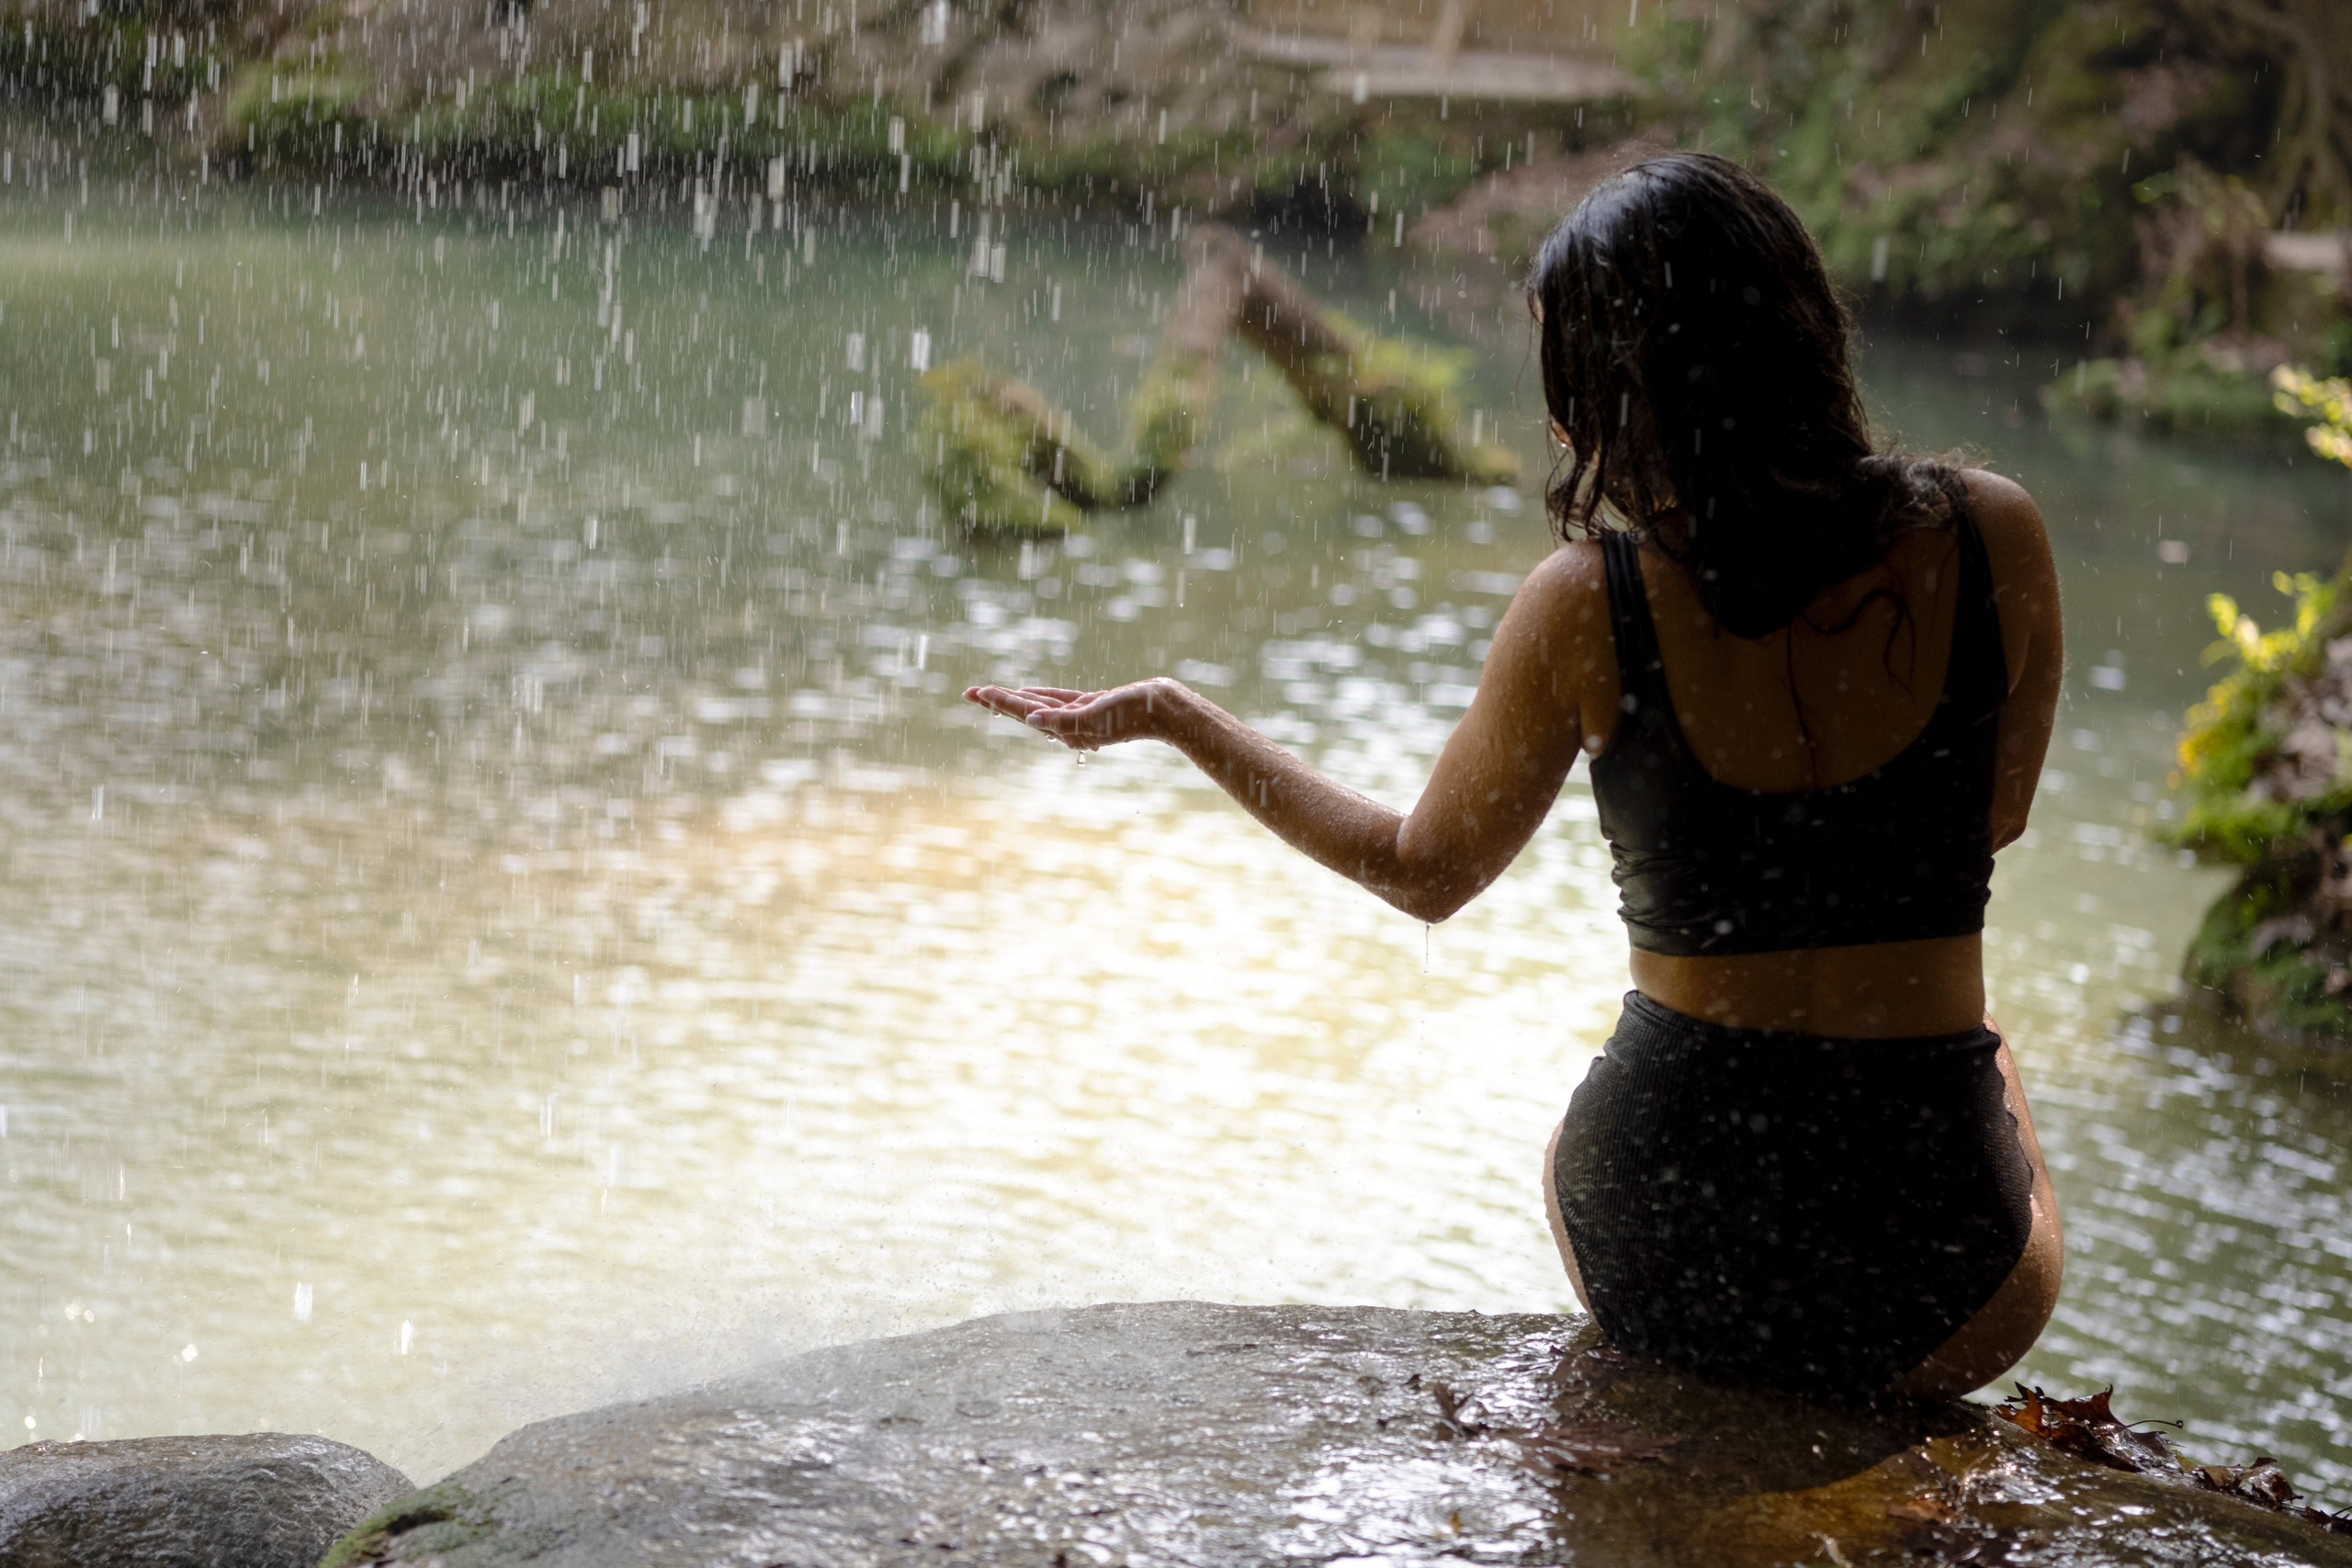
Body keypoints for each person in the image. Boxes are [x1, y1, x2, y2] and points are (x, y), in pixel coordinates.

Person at [966, 152, 2064, 1402]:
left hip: (1664, 1252)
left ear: (1606, 399)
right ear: (1802, 328)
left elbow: (1420, 873)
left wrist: (1174, 714)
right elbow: (1995, 817)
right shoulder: (1992, 534)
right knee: (1995, 1056)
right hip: (1938, 1278)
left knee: (1611, 1109)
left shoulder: (1588, 604)